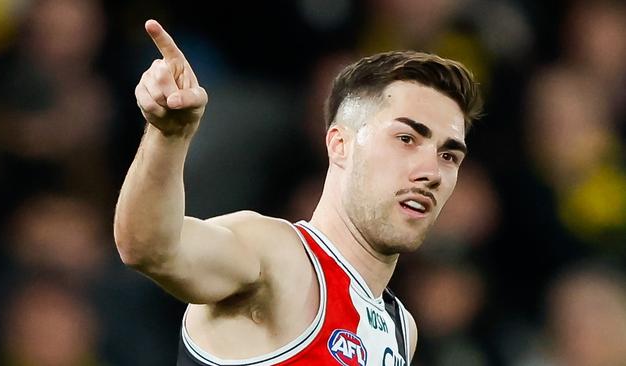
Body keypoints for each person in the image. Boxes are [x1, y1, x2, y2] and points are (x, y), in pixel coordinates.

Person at [114, 19, 482, 366]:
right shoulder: (276, 256)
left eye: (448, 155)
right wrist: (169, 136)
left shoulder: (401, 328)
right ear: (339, 145)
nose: (431, 172)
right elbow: (151, 248)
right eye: (406, 139)